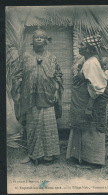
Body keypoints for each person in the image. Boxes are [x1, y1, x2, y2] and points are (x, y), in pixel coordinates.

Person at [11, 27, 63, 165]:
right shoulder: (25, 57)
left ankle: (49, 155)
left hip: (48, 96)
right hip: (30, 98)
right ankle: (34, 155)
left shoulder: (52, 58)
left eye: (41, 37)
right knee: (33, 126)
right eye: (36, 37)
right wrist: (18, 89)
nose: (39, 39)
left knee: (48, 126)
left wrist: (57, 90)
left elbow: (58, 75)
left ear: (46, 41)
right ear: (32, 41)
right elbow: (17, 75)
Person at [66, 35, 108, 169]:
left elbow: (98, 87)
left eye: (82, 44)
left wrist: (89, 107)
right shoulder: (87, 60)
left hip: (90, 102)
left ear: (89, 48)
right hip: (82, 101)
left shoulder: (91, 63)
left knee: (92, 129)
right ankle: (82, 158)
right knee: (85, 128)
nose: (78, 46)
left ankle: (94, 162)